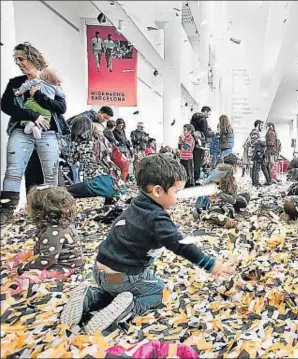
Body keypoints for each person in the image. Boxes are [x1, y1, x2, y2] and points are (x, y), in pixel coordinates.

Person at [60, 155, 235, 334]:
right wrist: (211, 264)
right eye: (176, 192)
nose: (178, 197)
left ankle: (91, 296)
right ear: (158, 191)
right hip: (123, 276)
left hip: (99, 272)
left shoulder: (135, 205)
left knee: (116, 289)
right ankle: (128, 307)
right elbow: (181, 245)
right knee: (158, 291)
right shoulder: (156, 218)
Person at [1, 42, 68, 224]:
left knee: (51, 172)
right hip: (22, 129)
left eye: (21, 58)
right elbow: (6, 105)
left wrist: (38, 95)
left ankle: (55, 211)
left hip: (47, 132)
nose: (18, 62)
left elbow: (61, 108)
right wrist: (31, 114)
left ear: (31, 57)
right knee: (14, 170)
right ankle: (6, 211)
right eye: (16, 59)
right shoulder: (16, 83)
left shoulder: (51, 80)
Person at [4, 186, 83, 294]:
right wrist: (29, 258)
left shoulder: (54, 232)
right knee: (22, 255)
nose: (26, 208)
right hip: (50, 257)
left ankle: (9, 291)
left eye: (29, 205)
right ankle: (8, 268)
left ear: (40, 211)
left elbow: (47, 261)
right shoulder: (52, 225)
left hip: (63, 267)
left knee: (29, 278)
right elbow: (42, 249)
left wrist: (22, 269)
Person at [67, 117, 122, 207]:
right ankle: (109, 208)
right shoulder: (101, 140)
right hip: (112, 182)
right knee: (109, 201)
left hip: (94, 183)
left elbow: (71, 161)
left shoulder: (77, 144)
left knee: (67, 191)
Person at [194, 163, 250, 228]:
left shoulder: (230, 185)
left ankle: (228, 221)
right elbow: (200, 203)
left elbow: (232, 200)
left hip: (225, 207)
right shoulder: (211, 182)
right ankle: (208, 216)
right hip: (211, 206)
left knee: (216, 213)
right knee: (198, 212)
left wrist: (220, 193)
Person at [15, 67, 64, 140]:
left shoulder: (38, 81)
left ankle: (29, 124)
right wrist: (59, 86)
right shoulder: (55, 88)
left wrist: (19, 92)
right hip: (45, 109)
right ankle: (38, 129)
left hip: (32, 104)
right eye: (57, 82)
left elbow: (26, 86)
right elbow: (62, 95)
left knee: (26, 110)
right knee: (46, 120)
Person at [244, 120, 271, 186]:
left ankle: (255, 182)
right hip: (256, 152)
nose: (262, 127)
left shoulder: (255, 132)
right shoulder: (255, 132)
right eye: (261, 125)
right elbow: (254, 142)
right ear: (258, 125)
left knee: (256, 167)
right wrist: (262, 142)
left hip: (256, 152)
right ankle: (256, 183)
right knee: (256, 168)